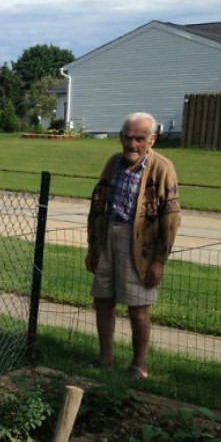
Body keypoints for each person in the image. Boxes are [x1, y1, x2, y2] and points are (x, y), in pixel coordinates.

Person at [85, 112, 181, 379]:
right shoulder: (113, 163)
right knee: (103, 300)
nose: (133, 145)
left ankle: (139, 365)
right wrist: (93, 247)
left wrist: (159, 261)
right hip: (107, 238)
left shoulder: (162, 168)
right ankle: (105, 359)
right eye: (128, 138)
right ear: (121, 137)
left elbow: (171, 219)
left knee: (138, 307)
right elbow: (97, 205)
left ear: (152, 140)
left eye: (140, 139)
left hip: (140, 245)